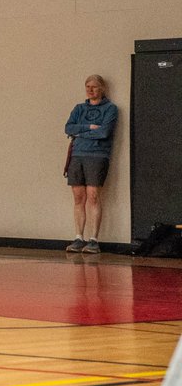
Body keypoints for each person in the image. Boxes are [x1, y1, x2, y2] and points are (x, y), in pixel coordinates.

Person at [63, 74, 117, 254]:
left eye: (94, 86)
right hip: (77, 155)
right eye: (87, 86)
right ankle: (79, 237)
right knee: (78, 197)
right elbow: (69, 128)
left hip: (97, 155)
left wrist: (80, 133)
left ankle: (94, 239)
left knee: (93, 195)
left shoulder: (110, 109)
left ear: (101, 88)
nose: (90, 90)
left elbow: (104, 133)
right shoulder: (79, 108)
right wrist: (88, 127)